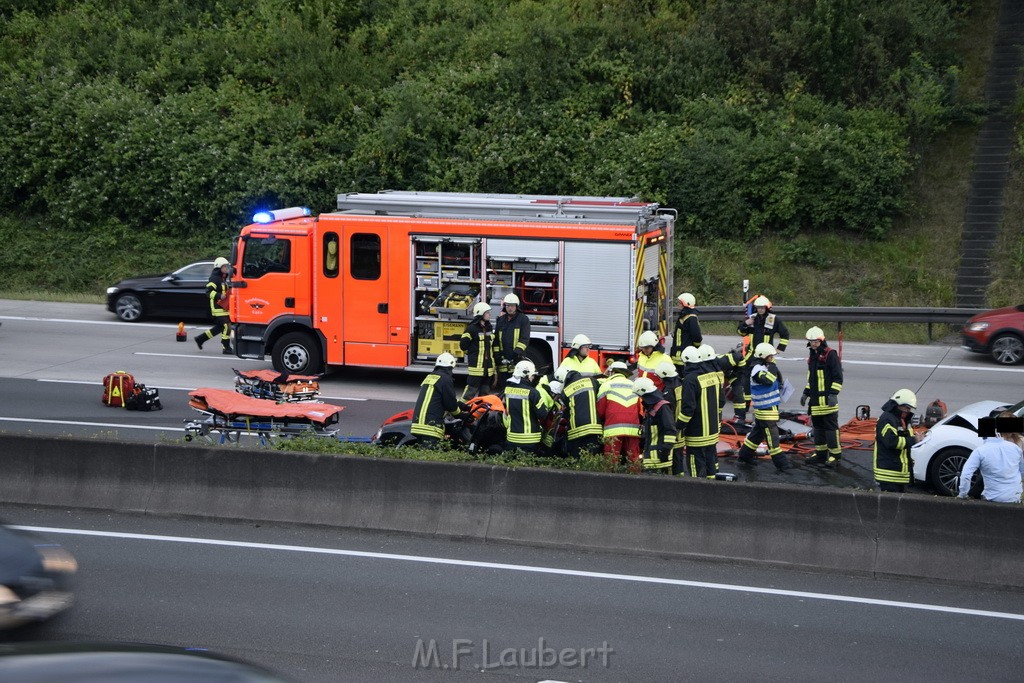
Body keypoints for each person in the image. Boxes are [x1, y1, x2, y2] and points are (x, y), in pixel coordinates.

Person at [735, 343, 791, 471]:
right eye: (771, 357)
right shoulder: (757, 370)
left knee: (756, 435)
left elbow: (774, 381)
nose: (773, 359)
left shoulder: (764, 366)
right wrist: (772, 366)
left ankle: (744, 456)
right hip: (766, 412)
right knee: (773, 441)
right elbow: (769, 380)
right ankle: (783, 466)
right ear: (763, 357)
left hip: (766, 410)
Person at [734, 295, 790, 422]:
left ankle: (773, 407)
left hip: (767, 356)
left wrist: (779, 349)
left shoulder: (773, 319)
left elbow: (785, 334)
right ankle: (745, 409)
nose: (760, 310)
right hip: (752, 355)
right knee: (746, 381)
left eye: (762, 308)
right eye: (758, 308)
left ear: (767, 308)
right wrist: (745, 324)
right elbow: (740, 332)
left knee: (771, 380)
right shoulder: (752, 319)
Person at [801, 326, 844, 466]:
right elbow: (811, 379)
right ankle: (820, 455)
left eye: (816, 341)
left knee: (831, 429)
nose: (813, 343)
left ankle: (835, 456)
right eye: (811, 341)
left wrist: (833, 394)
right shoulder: (812, 355)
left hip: (827, 401)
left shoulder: (830, 354)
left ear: (821, 340)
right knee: (818, 429)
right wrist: (806, 393)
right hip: (815, 402)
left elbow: (838, 377)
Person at [958, 413, 1024, 503]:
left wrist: (962, 495)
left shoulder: (980, 451)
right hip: (1014, 497)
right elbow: (1022, 471)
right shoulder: (1015, 448)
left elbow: (966, 476)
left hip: (992, 497)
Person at [679, 346, 721, 478]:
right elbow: (722, 401)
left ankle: (697, 494)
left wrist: (678, 426)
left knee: (695, 468)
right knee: (711, 466)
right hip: (713, 431)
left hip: (696, 434)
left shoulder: (690, 380)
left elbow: (688, 409)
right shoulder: (713, 376)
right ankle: (712, 492)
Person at [596, 361, 642, 471]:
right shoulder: (633, 385)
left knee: (611, 460)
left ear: (612, 372)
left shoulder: (606, 385)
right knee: (633, 458)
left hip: (613, 428)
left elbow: (601, 411)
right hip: (633, 428)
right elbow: (640, 410)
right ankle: (636, 481)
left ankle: (610, 483)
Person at [411, 352, 462, 448]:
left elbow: (436, 398)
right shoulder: (446, 379)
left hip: (417, 425)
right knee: (429, 460)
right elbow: (450, 404)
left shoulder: (429, 377)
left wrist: (461, 404)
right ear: (451, 366)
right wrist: (460, 414)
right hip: (431, 428)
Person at [500, 360, 550, 454]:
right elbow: (543, 415)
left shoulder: (507, 390)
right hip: (530, 440)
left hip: (511, 439)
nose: (533, 378)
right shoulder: (533, 392)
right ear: (527, 375)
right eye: (532, 375)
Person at [873, 389, 918, 492]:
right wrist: (913, 440)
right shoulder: (887, 420)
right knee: (890, 507)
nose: (908, 410)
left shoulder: (901, 420)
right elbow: (891, 442)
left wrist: (916, 438)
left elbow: (905, 436)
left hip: (898, 473)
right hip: (889, 474)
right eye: (906, 407)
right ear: (898, 404)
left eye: (909, 408)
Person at [557, 365, 604, 457]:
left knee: (577, 458)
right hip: (594, 427)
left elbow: (566, 413)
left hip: (576, 431)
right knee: (593, 457)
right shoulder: (591, 381)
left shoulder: (565, 391)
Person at [634, 376, 677, 474]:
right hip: (650, 459)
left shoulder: (662, 407)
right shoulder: (651, 407)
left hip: (660, 461)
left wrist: (664, 451)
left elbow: (670, 430)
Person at [194, 257, 232, 354]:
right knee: (226, 326)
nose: (226, 268)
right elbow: (208, 292)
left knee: (219, 328)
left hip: (224, 307)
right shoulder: (215, 278)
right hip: (217, 308)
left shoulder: (223, 278)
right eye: (224, 266)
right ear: (219, 267)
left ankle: (200, 339)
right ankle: (226, 348)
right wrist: (219, 295)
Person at [460, 302, 496, 400]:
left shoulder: (489, 327)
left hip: (488, 369)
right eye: (487, 312)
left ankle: (480, 413)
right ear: (481, 314)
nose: (489, 314)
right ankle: (461, 410)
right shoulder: (471, 329)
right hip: (476, 368)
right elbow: (463, 346)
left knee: (485, 394)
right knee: (470, 393)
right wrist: (472, 354)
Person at [495, 293, 531, 387]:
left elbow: (524, 339)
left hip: (517, 360)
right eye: (507, 305)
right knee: (504, 386)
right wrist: (498, 356)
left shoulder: (523, 319)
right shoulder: (501, 320)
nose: (509, 308)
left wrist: (516, 354)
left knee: (516, 387)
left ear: (516, 306)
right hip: (503, 361)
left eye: (512, 305)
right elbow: (496, 340)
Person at [654, 361, 684, 474]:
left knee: (673, 462)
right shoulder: (679, 384)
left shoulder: (668, 392)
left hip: (672, 433)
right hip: (680, 431)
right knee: (679, 460)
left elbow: (668, 415)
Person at [670, 292, 702, 371]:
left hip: (684, 357)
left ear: (686, 304)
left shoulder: (691, 318)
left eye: (680, 303)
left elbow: (697, 338)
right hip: (678, 356)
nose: (678, 304)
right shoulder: (684, 316)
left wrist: (694, 348)